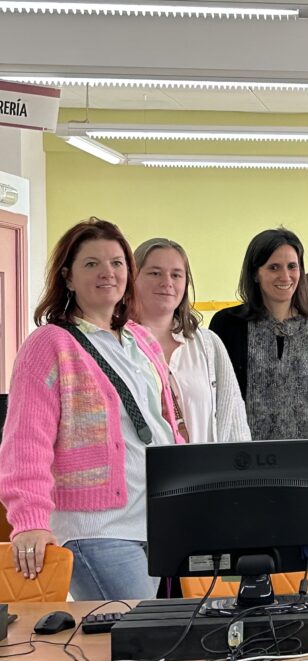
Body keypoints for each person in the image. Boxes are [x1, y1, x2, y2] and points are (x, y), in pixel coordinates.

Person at [0, 217, 184, 601]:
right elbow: (25, 443)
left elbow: (165, 426)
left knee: (144, 648)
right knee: (142, 638)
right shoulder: (51, 344)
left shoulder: (139, 340)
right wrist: (29, 522)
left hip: (156, 525)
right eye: (91, 264)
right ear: (67, 277)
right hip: (97, 530)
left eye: (117, 263)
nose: (108, 273)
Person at [209, 227, 308, 440]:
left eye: (292, 266)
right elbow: (216, 399)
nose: (285, 276)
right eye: (273, 267)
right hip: (245, 458)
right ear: (255, 273)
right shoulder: (228, 325)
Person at [133, 238, 250, 444]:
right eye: (155, 273)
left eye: (176, 275)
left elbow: (234, 422)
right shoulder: (116, 345)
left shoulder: (208, 345)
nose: (167, 282)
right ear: (132, 278)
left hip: (205, 473)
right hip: (137, 475)